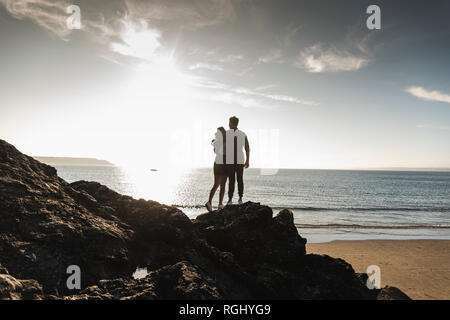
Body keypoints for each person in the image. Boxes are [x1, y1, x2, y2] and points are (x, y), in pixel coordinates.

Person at [225, 116, 250, 205]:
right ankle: (238, 199)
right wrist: (247, 160)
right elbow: (247, 148)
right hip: (237, 160)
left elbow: (247, 147)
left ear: (231, 123)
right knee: (238, 180)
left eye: (229, 123)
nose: (228, 124)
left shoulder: (227, 133)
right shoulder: (242, 134)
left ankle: (232, 199)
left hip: (233, 160)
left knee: (233, 180)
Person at [205, 127, 228, 212]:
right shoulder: (225, 142)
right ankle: (220, 204)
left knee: (216, 184)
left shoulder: (216, 142)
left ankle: (209, 202)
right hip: (224, 164)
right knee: (222, 185)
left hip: (217, 163)